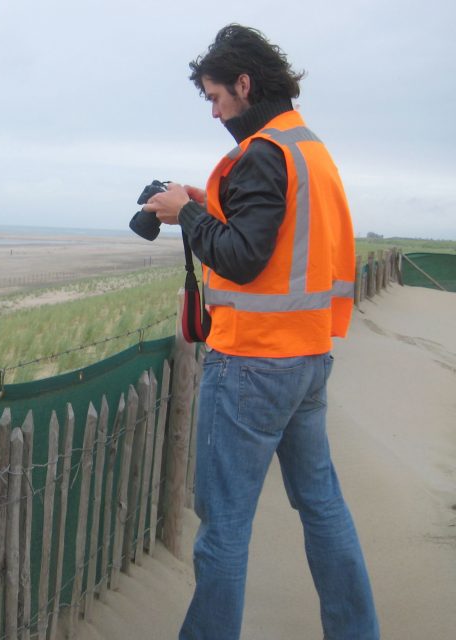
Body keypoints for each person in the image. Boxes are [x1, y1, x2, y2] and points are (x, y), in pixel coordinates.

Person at [139, 24, 376, 640]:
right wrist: (201, 201)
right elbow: (273, 238)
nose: (215, 112)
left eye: (217, 98)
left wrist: (185, 214)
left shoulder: (264, 152)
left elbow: (244, 258)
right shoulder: (309, 149)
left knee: (223, 529)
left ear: (245, 84)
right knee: (322, 506)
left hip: (250, 364)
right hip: (308, 359)